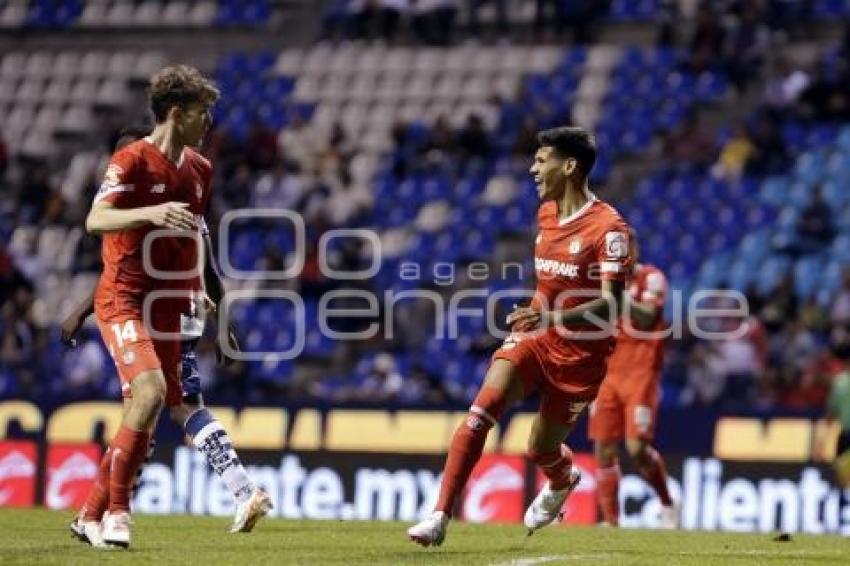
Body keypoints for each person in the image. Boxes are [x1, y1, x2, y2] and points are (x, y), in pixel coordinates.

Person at [72, 65, 267, 549]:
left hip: (168, 303)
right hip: (124, 298)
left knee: (150, 404)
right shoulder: (131, 160)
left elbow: (197, 242)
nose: (210, 123)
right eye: (203, 113)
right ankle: (118, 515)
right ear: (177, 113)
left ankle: (89, 516)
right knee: (154, 392)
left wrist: (214, 307)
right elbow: (95, 219)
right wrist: (149, 212)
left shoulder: (200, 169)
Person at [407, 126, 631, 546]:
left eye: (541, 160)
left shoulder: (610, 230)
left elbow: (612, 305)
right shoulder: (546, 214)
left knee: (541, 450)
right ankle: (438, 516)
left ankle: (562, 478)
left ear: (569, 166)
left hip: (582, 356)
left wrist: (551, 320)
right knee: (482, 408)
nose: (532, 168)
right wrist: (537, 313)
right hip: (537, 338)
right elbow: (549, 284)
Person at [587, 229, 678, 528]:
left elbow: (646, 317)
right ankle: (611, 522)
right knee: (603, 446)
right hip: (608, 374)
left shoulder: (652, 278)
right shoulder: (600, 283)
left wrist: (616, 296)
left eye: (628, 246)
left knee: (637, 448)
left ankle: (667, 502)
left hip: (641, 373)